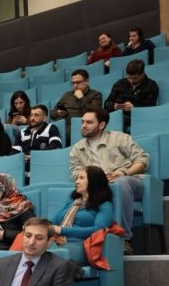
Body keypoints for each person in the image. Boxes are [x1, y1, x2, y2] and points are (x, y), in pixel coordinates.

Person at [69, 108, 148, 252]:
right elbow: (75, 172)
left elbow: (142, 160)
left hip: (129, 180)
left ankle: (123, 238)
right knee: (76, 190)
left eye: (89, 122)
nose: (84, 125)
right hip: (98, 186)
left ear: (101, 125)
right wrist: (95, 178)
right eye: (82, 122)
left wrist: (123, 172)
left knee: (121, 183)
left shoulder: (119, 138)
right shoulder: (77, 148)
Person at [52, 166, 114, 265]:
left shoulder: (104, 205)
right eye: (77, 178)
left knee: (50, 258)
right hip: (56, 241)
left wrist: (62, 230)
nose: (76, 181)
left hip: (79, 244)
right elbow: (53, 222)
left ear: (94, 181)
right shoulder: (72, 202)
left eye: (81, 178)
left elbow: (98, 230)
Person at [104, 59, 158, 127]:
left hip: (137, 117)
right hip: (116, 114)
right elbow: (107, 103)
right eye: (129, 77)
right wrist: (114, 106)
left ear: (143, 74)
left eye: (135, 78)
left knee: (117, 119)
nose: (131, 81)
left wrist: (134, 108)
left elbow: (151, 108)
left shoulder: (151, 85)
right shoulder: (120, 83)